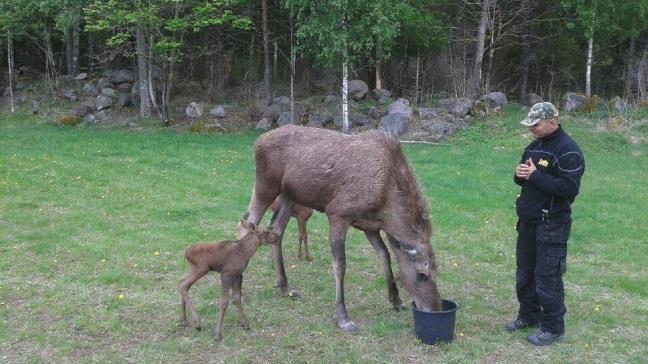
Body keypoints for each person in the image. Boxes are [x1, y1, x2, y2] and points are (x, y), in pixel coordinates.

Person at [505, 102, 585, 346]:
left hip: (551, 224)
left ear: (553, 121)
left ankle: (553, 327)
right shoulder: (534, 147)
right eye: (529, 125)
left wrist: (535, 176)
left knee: (547, 277)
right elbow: (524, 180)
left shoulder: (568, 151)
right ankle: (528, 315)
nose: (531, 129)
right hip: (528, 223)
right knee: (525, 273)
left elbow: (569, 188)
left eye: (535, 124)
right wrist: (520, 175)